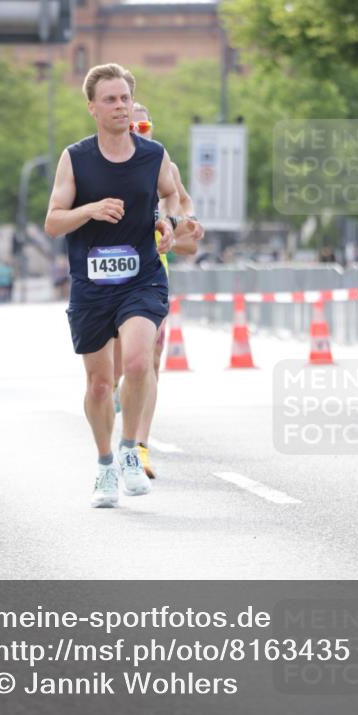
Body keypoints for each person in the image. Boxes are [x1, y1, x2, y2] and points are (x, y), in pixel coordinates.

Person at [45, 63, 198, 508]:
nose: (119, 106)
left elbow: (172, 194)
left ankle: (131, 449)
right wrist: (89, 210)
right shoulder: (76, 158)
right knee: (98, 384)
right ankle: (105, 463)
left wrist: (170, 223)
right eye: (110, 99)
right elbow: (54, 221)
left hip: (143, 279)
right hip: (92, 285)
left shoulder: (153, 154)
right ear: (93, 107)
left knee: (136, 363)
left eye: (125, 98)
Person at [112, 103, 205, 478]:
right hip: (109, 276)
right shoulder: (103, 163)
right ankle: (120, 393)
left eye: (144, 123)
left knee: (151, 357)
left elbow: (184, 208)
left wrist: (184, 225)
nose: (137, 129)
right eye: (131, 123)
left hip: (151, 275)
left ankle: (140, 446)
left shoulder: (164, 167)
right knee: (118, 367)